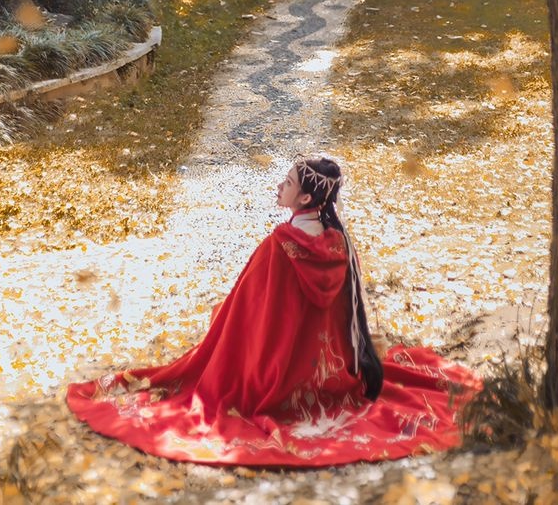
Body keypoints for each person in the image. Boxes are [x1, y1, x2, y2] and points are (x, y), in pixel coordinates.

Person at [66, 156, 482, 466]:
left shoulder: (280, 245)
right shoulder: (339, 243)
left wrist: (221, 331)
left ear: (304, 197)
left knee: (205, 373)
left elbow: (248, 311)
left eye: (286, 183)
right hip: (331, 375)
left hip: (274, 377)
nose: (278, 187)